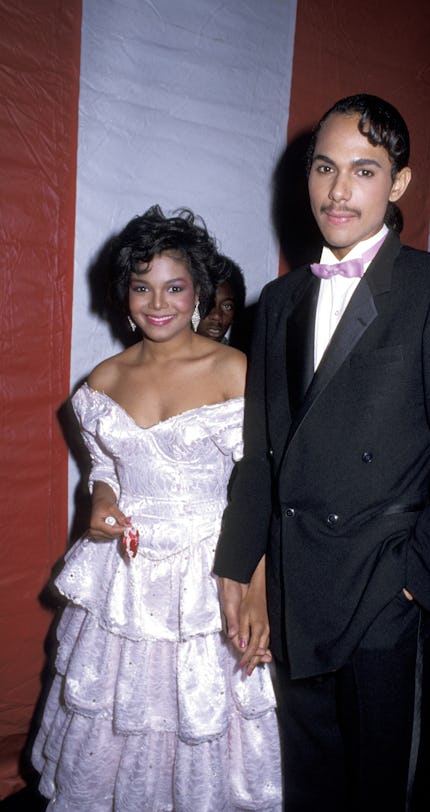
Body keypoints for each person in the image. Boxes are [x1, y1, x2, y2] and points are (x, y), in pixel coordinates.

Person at [213, 94, 430, 810]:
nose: (339, 191)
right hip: (293, 587)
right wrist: (239, 565)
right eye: (324, 168)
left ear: (399, 184)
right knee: (308, 785)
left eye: (365, 170)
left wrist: (414, 581)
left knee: (378, 790)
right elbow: (261, 453)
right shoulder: (278, 299)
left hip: (382, 590)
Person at [31, 205, 281, 811]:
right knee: (114, 722)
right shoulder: (102, 380)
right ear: (123, 295)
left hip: (211, 576)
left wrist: (257, 591)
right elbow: (104, 467)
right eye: (142, 287)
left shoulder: (235, 371)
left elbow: (263, 486)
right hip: (126, 575)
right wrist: (101, 500)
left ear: (198, 289)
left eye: (174, 286)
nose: (158, 302)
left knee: (202, 722)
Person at [197, 254, 246, 345]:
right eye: (208, 303)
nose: (217, 316)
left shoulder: (239, 358)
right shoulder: (165, 352)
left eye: (227, 306)